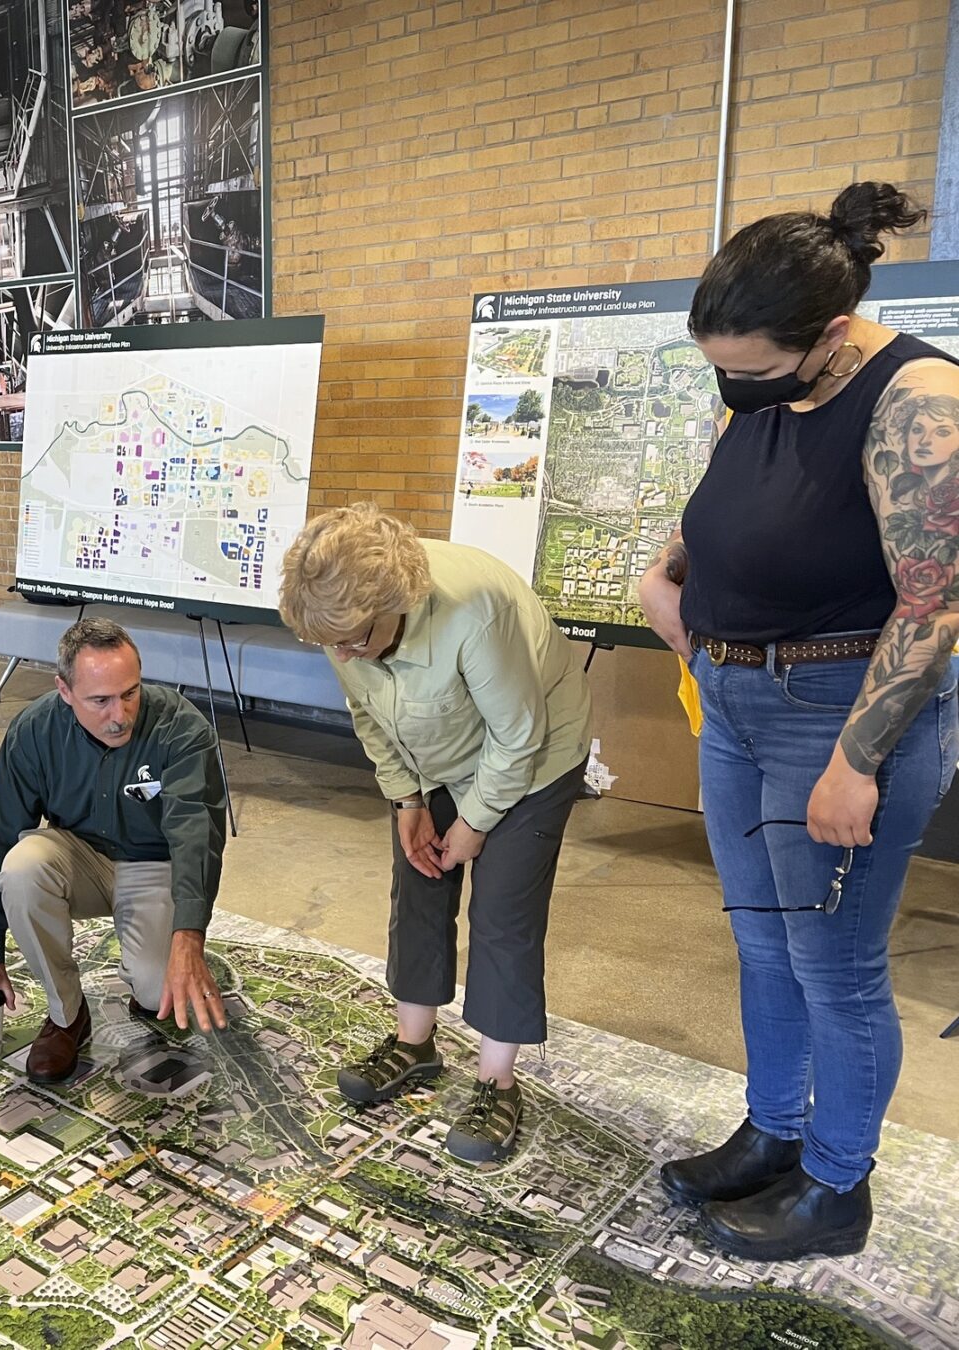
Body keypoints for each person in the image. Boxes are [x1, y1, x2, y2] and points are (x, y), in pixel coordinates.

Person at [638, 182, 959, 1261]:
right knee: (763, 947)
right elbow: (741, 506)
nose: (735, 389)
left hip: (836, 718)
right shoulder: (780, 388)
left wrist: (856, 765)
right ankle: (775, 1132)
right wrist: (671, 574)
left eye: (751, 371)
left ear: (827, 335)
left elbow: (934, 601)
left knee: (834, 966)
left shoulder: (917, 400)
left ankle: (836, 1187)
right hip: (735, 702)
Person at [278, 504, 592, 1164]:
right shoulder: (342, 625)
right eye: (328, 643)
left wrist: (475, 823)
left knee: (503, 911)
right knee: (419, 881)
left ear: (393, 604)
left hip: (532, 753)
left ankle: (496, 1083)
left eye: (354, 641)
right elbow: (369, 716)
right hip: (438, 749)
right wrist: (406, 800)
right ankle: (414, 1044)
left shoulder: (470, 613)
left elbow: (517, 738)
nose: (341, 654)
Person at [0, 618, 230, 1082]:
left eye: (130, 693)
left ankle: (158, 958)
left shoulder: (182, 727)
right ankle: (67, 1016)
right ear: (64, 690)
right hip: (77, 856)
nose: (119, 714)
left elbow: (194, 836)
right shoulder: (33, 732)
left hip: (153, 863)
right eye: (99, 700)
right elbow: (0, 835)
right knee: (21, 868)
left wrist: (189, 937)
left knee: (154, 994)